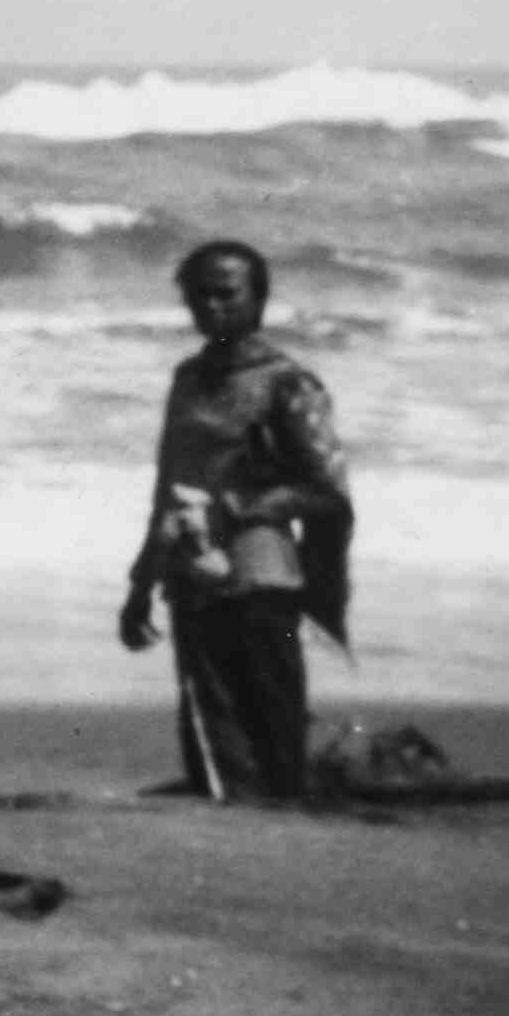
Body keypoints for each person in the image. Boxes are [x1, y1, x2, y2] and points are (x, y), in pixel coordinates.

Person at [118, 241, 354, 803]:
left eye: (226, 293)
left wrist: (239, 508)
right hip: (193, 579)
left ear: (260, 299)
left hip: (263, 581)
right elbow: (165, 486)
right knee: (211, 741)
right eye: (198, 294)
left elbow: (327, 492)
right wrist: (141, 585)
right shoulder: (187, 379)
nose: (211, 306)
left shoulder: (288, 383)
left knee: (274, 734)